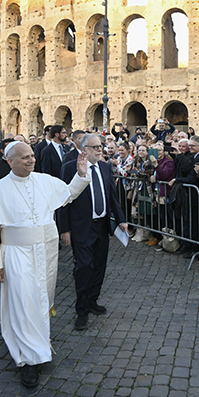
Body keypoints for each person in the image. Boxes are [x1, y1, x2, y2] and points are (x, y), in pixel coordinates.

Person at [0, 141, 90, 387]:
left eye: (31, 156)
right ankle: (28, 360)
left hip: (46, 251)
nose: (30, 160)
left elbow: (68, 194)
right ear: (10, 161)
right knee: (23, 301)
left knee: (41, 300)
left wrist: (81, 176)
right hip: (16, 253)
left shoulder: (44, 180)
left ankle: (39, 344)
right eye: (24, 157)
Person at [60, 134, 128, 331]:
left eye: (101, 146)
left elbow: (112, 195)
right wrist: (64, 228)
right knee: (83, 266)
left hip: (102, 225)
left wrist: (121, 218)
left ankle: (92, 300)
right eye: (95, 147)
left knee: (99, 265)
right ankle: (81, 310)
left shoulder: (106, 167)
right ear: (84, 150)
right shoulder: (69, 167)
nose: (100, 150)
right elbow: (63, 200)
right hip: (81, 226)